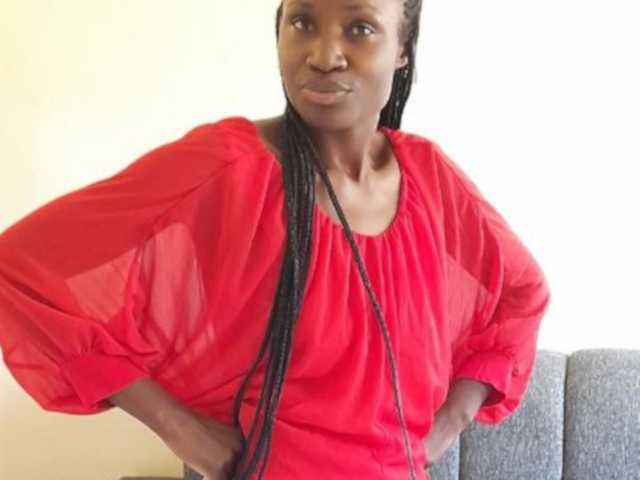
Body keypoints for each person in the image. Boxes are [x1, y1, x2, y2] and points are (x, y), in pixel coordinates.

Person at [0, 1, 551, 479]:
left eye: (359, 27)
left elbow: (521, 293)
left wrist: (452, 418)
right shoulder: (227, 168)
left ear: (403, 47)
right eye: (302, 21)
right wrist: (177, 427)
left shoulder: (432, 181)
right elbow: (21, 269)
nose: (324, 54)